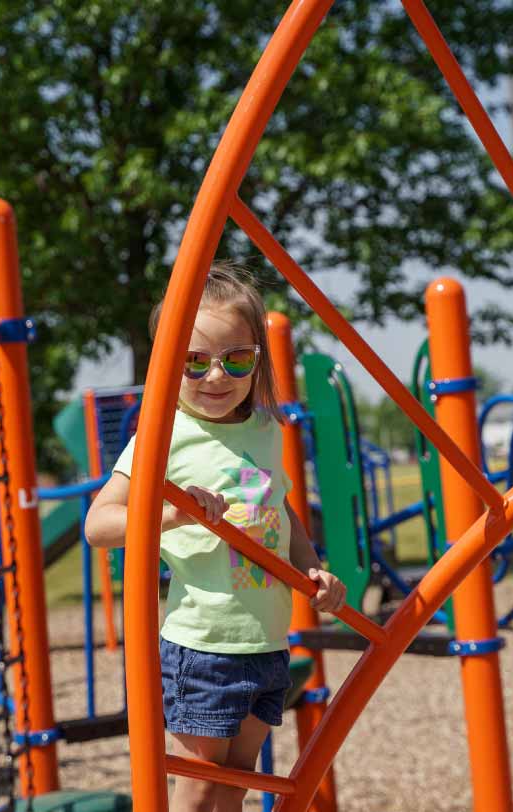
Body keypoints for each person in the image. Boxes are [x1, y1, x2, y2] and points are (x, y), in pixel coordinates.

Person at [85, 265, 346, 812]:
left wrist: (310, 568)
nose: (215, 376)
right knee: (199, 784)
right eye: (194, 362)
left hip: (266, 639)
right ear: (169, 364)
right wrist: (173, 517)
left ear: (259, 361)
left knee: (237, 782)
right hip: (203, 645)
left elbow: (281, 509)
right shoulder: (164, 435)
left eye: (237, 359)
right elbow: (99, 524)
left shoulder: (266, 430)